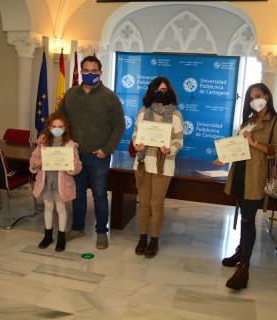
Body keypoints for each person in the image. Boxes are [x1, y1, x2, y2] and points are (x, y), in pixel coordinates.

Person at [214, 83, 277, 289]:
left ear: (267, 96)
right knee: (244, 216)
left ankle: (244, 267)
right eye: (250, 97)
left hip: (255, 176)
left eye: (258, 95)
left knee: (247, 219)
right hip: (239, 174)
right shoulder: (249, 119)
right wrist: (223, 157)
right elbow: (238, 146)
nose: (255, 99)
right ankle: (240, 251)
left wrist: (255, 144)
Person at [59, 55, 125, 249]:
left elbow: (119, 125)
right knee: (77, 194)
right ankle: (78, 228)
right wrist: (50, 138)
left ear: (100, 72)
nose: (89, 74)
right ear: (81, 72)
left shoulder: (109, 97)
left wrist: (107, 150)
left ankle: (102, 232)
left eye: (93, 71)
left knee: (99, 195)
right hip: (75, 155)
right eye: (86, 70)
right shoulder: (70, 94)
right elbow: (59, 120)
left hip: (99, 157)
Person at [132, 77, 184, 258]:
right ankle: (142, 237)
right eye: (157, 89)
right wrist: (136, 144)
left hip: (164, 165)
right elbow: (136, 134)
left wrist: (170, 149)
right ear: (151, 91)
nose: (161, 93)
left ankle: (154, 240)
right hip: (143, 163)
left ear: (169, 92)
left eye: (164, 90)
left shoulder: (176, 116)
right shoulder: (143, 112)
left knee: (156, 204)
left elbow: (179, 141)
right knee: (144, 203)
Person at [30, 112, 82, 252]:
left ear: (65, 128)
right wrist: (38, 162)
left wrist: (71, 167)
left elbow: (78, 165)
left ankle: (61, 237)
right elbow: (33, 160)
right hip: (46, 182)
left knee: (61, 209)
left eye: (60, 126)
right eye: (54, 126)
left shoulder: (70, 145)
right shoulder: (43, 142)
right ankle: (48, 236)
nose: (57, 129)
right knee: (48, 208)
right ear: (49, 127)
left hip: (61, 184)